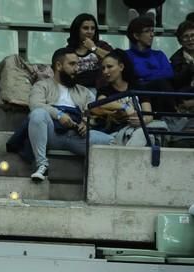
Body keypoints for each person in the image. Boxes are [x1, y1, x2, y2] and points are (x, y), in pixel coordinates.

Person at [27, 47, 114, 182]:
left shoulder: (84, 92)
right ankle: (42, 166)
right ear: (59, 66)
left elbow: (93, 113)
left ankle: (101, 180)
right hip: (52, 133)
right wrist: (59, 115)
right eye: (72, 64)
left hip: (77, 135)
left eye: (78, 64)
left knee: (111, 142)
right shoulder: (41, 86)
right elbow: (35, 105)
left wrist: (86, 123)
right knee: (38, 114)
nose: (77, 68)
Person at [93, 49, 168, 146]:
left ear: (121, 67)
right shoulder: (104, 90)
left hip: (139, 129)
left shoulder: (137, 88)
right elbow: (101, 102)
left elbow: (148, 114)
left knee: (142, 133)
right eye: (103, 68)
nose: (105, 71)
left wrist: (142, 121)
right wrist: (125, 107)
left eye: (109, 67)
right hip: (117, 133)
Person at [126, 15, 176, 112]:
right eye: (147, 31)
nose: (152, 34)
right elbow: (135, 75)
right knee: (160, 83)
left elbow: (169, 73)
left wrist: (144, 77)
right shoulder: (127, 55)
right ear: (136, 36)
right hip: (140, 96)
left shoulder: (159, 54)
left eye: (152, 31)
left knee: (162, 83)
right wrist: (156, 73)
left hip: (160, 94)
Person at [66, 13, 113, 91]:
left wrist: (94, 48)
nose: (90, 31)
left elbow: (115, 60)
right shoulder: (69, 50)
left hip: (101, 90)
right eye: (85, 28)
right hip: (77, 90)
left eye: (93, 28)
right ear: (77, 29)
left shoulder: (102, 46)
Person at [171, 20, 194, 93]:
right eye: (186, 36)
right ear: (180, 41)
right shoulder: (175, 60)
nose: (190, 39)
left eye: (193, 35)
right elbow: (178, 84)